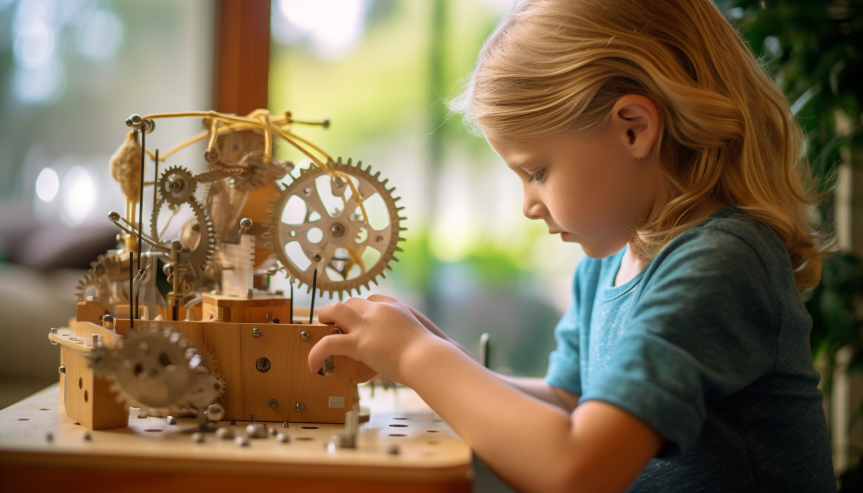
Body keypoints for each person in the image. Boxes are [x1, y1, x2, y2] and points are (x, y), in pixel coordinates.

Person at [307, 0, 837, 491]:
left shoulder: (721, 263)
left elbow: (578, 468)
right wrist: (434, 353)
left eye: (536, 171)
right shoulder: (608, 264)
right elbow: (571, 403)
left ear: (633, 129)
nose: (528, 205)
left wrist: (416, 355)